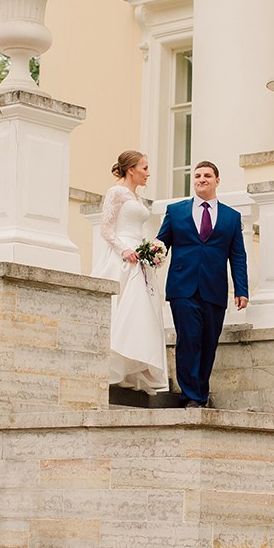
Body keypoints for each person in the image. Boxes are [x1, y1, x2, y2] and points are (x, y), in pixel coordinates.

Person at [156, 160, 248, 409]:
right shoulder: (175, 212)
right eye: (197, 175)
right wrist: (149, 256)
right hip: (182, 287)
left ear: (217, 180)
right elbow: (161, 243)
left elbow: (237, 255)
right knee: (189, 339)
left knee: (209, 342)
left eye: (207, 175)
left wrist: (241, 290)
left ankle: (201, 393)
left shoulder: (231, 217)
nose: (201, 179)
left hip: (214, 288)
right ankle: (191, 397)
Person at [93, 150, 169, 393]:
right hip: (123, 257)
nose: (148, 173)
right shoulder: (116, 193)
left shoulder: (137, 198)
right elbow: (106, 229)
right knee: (125, 306)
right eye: (144, 168)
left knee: (142, 309)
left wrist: (151, 250)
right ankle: (118, 360)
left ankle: (134, 363)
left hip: (140, 256)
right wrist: (124, 250)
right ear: (131, 169)